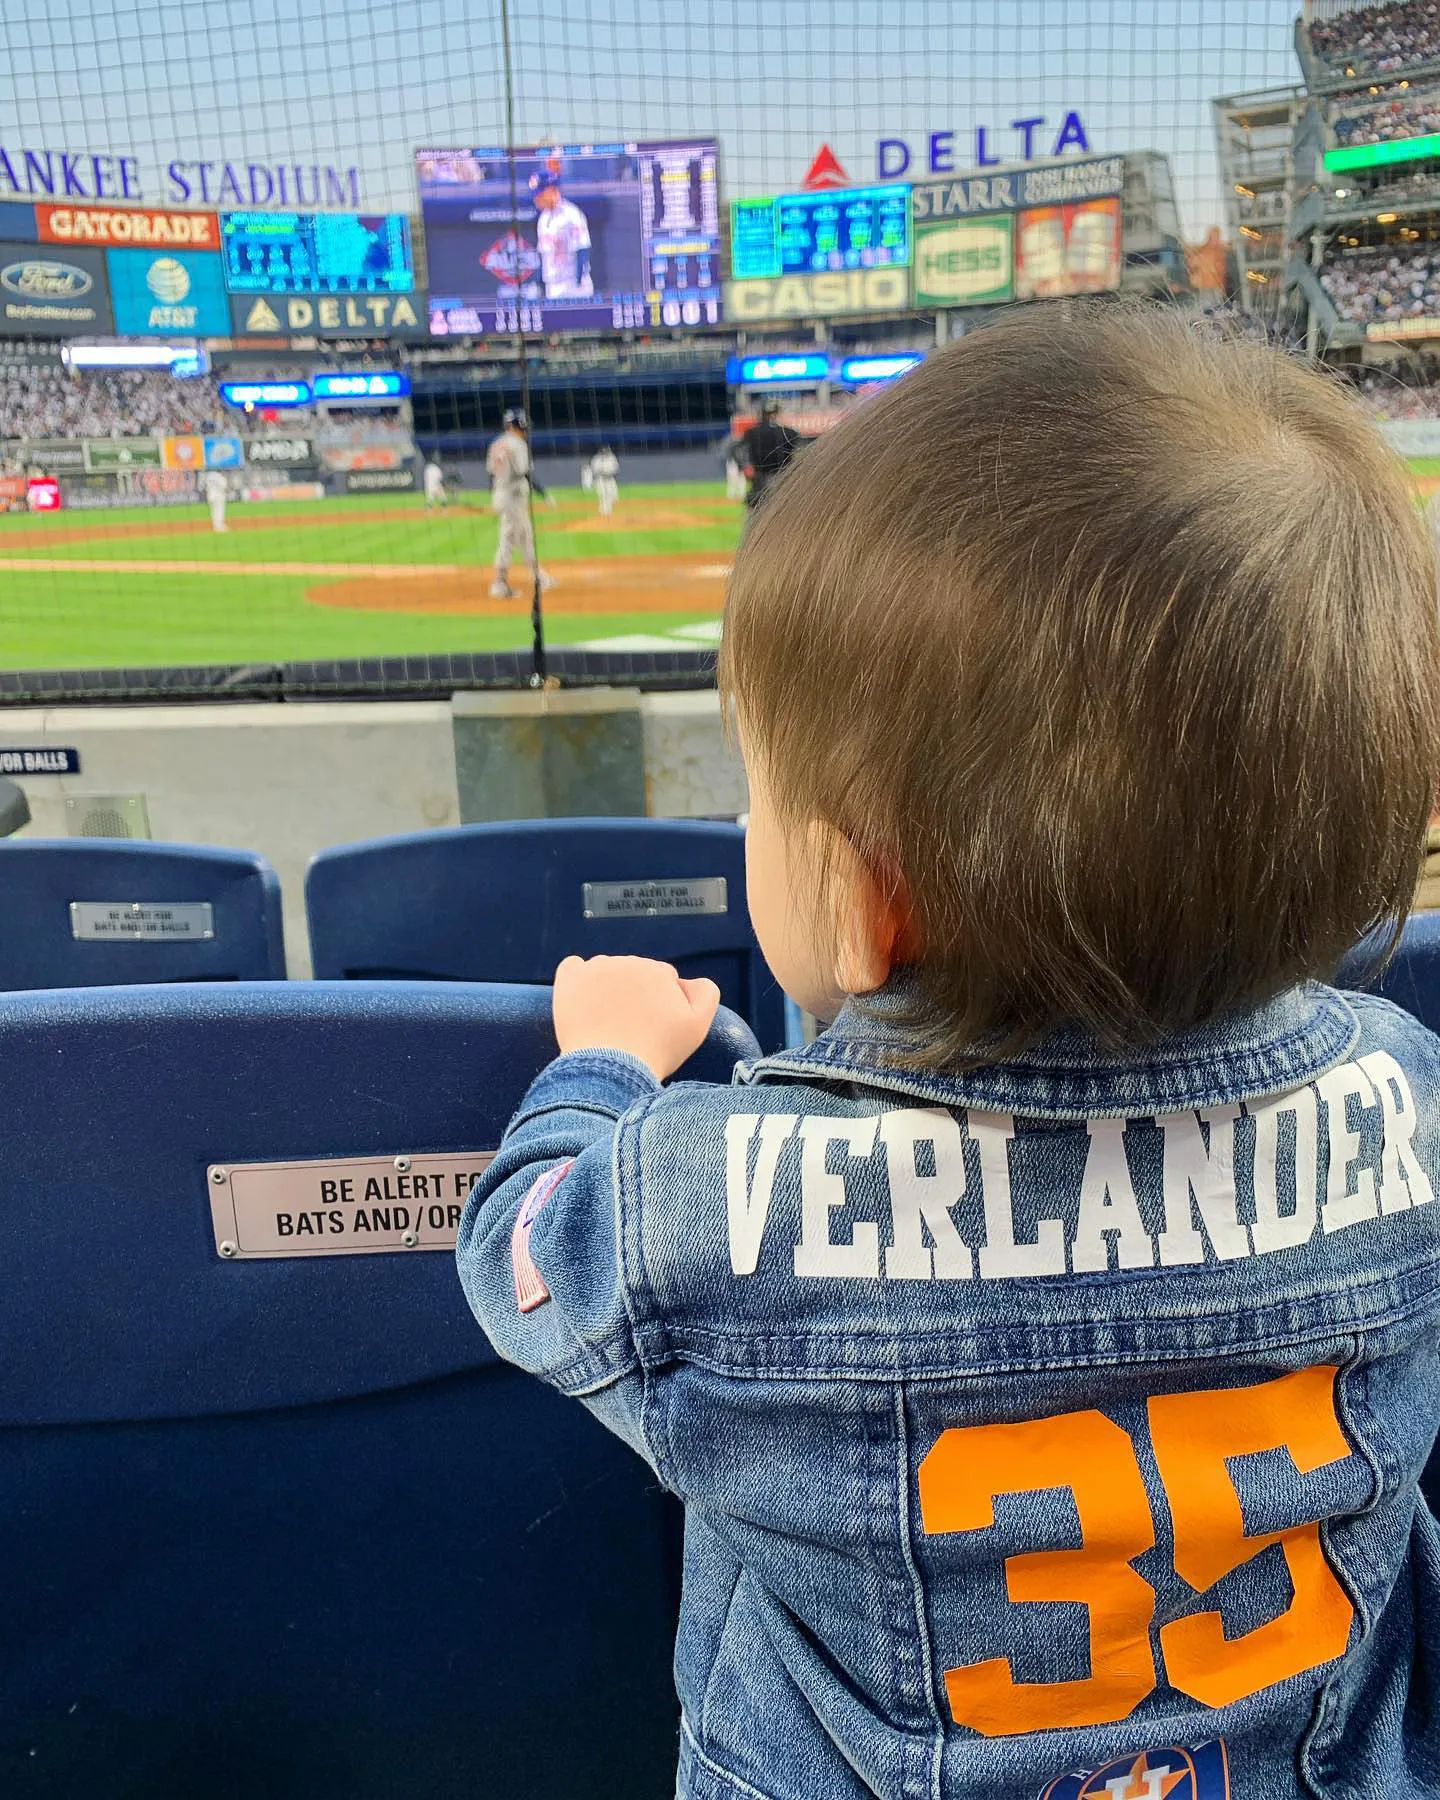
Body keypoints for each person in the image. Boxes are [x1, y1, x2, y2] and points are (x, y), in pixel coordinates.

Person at [456, 305, 1440, 1799]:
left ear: (870, 903)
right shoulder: (1409, 1096)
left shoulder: (702, 1201)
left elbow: (524, 1255)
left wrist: (600, 1069)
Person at [485, 408, 554, 600]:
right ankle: (499, 584)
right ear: (517, 426)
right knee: (508, 539)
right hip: (513, 496)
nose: (526, 430)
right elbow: (525, 472)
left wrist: (496, 497)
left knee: (525, 536)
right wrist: (543, 493)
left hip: (502, 493)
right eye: (523, 426)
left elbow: (490, 474)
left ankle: (539, 577)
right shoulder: (518, 444)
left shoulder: (496, 443)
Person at [530, 170, 593, 300]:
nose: (536, 198)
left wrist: (578, 282)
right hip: (552, 286)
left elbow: (582, 249)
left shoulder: (571, 214)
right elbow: (543, 254)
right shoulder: (543, 218)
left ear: (552, 190)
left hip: (572, 286)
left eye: (540, 194)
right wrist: (539, 283)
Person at [741, 395, 802, 511]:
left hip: (759, 481)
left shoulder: (751, 433)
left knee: (757, 512)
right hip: (782, 480)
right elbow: (800, 454)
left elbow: (739, 451)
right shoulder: (789, 433)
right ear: (777, 413)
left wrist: (745, 467)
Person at [589, 444, 620, 518]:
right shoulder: (596, 459)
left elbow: (616, 468)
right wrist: (601, 472)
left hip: (610, 478)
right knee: (602, 495)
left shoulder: (612, 458)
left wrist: (609, 472)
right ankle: (603, 511)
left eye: (607, 450)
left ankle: (608, 511)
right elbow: (594, 469)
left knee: (611, 495)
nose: (605, 452)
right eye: (604, 451)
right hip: (600, 479)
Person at [203, 467, 227, 533]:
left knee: (213, 511)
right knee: (219, 511)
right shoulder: (220, 476)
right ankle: (220, 526)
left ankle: (215, 525)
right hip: (219, 496)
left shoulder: (209, 476)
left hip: (211, 495)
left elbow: (206, 485)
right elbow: (224, 486)